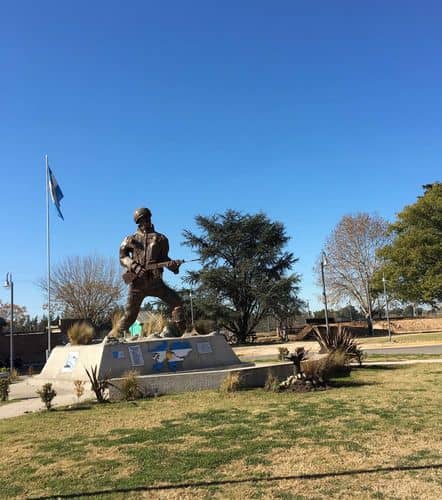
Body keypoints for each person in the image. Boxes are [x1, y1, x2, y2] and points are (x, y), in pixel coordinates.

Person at [113, 207, 185, 337]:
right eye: (142, 219)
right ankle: (112, 337)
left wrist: (174, 266)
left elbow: (164, 259)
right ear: (138, 222)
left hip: (156, 283)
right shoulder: (130, 239)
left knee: (177, 303)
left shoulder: (161, 239)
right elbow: (122, 257)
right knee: (129, 316)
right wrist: (135, 266)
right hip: (137, 285)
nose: (145, 221)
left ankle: (183, 334)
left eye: (147, 217)